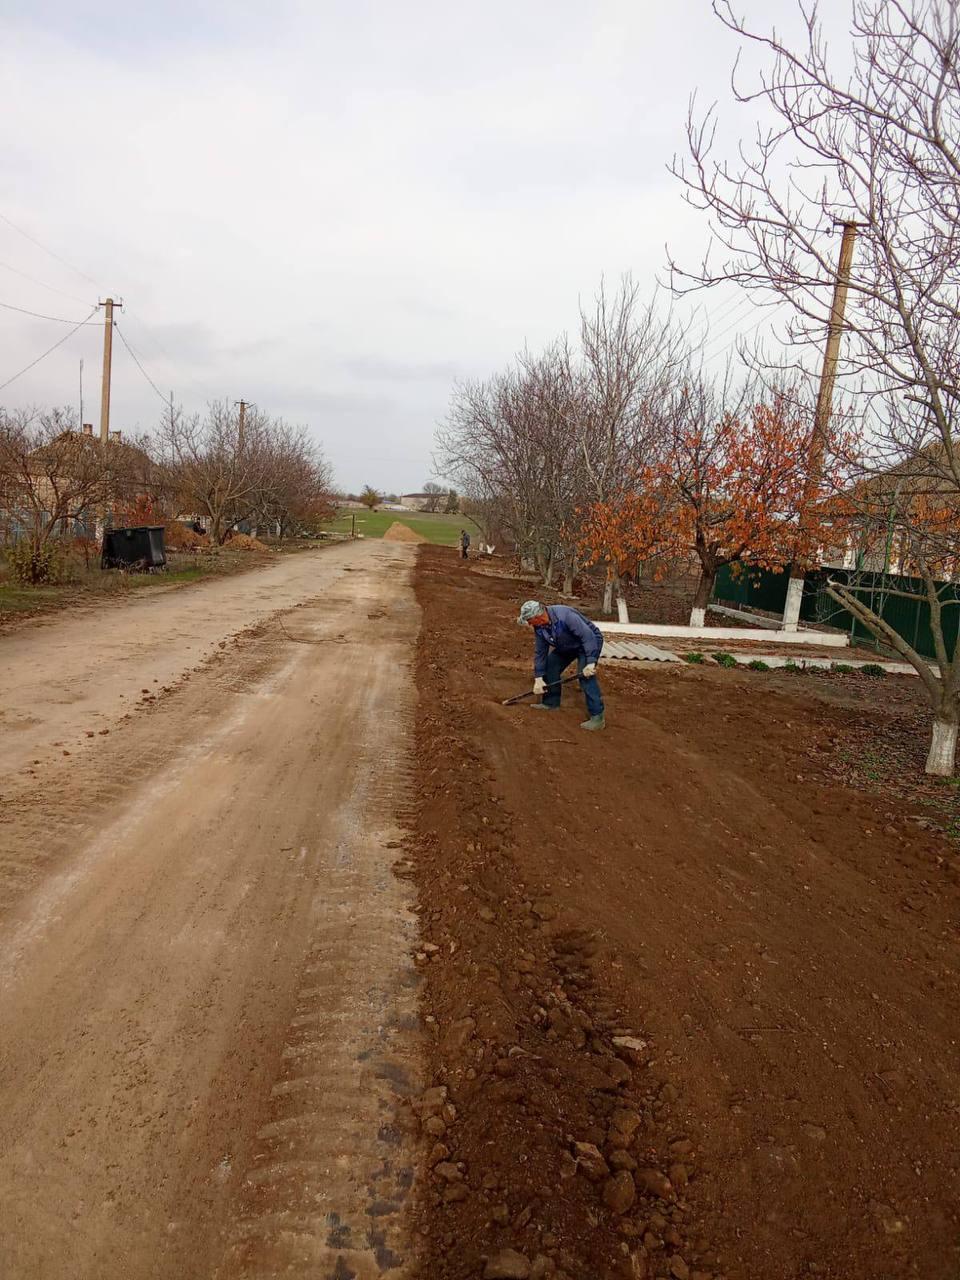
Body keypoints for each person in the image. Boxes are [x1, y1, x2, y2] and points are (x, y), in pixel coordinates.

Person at [516, 599, 605, 731]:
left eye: (529, 620)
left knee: (585, 676)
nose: (529, 624)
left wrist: (591, 662)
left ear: (538, 617)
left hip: (588, 642)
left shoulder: (565, 616)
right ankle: (551, 702)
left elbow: (587, 636)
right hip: (567, 645)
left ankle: (597, 717)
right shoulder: (539, 627)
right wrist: (538, 677)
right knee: (550, 666)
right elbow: (540, 652)